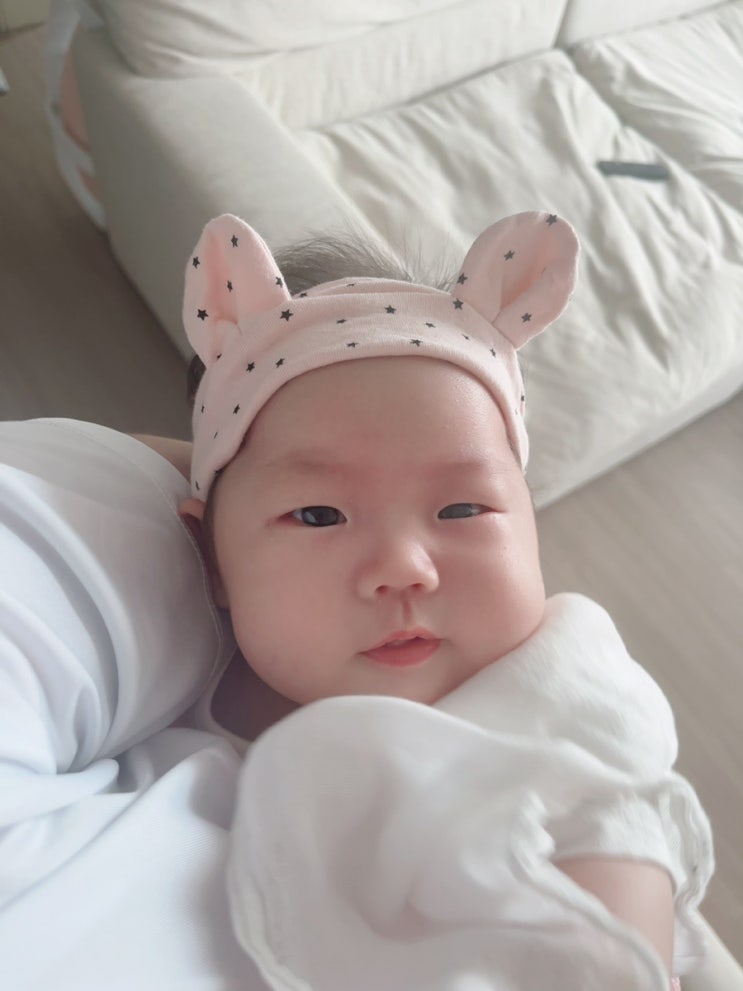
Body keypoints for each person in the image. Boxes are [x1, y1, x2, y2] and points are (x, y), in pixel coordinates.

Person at [0, 210, 712, 991]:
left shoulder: (551, 676)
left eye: (462, 508)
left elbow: (611, 823)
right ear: (211, 560)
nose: (404, 568)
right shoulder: (170, 684)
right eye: (318, 515)